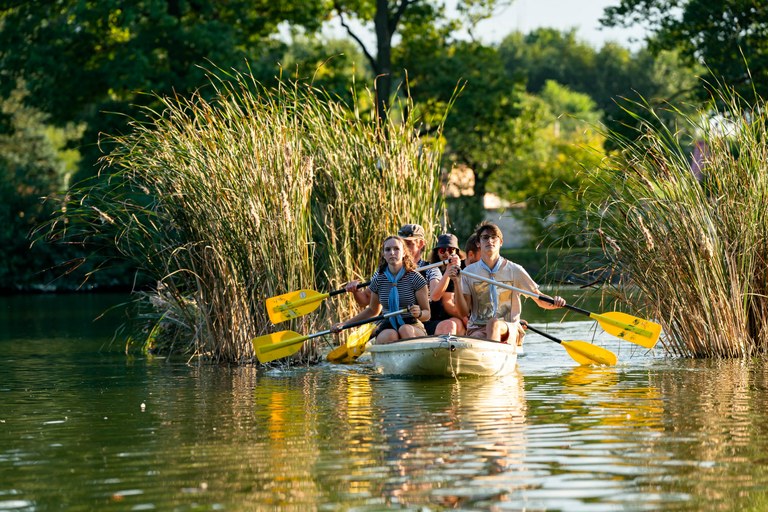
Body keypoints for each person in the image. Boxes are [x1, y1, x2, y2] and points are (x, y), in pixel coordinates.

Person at [454, 221, 566, 346]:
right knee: (478, 336)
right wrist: (456, 282)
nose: (490, 241)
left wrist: (555, 302)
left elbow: (539, 298)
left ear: (500, 242)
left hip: (509, 328)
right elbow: (463, 312)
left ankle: (492, 357)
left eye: (494, 237)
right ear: (478, 243)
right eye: (485, 237)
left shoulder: (515, 270)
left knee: (494, 324)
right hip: (477, 328)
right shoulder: (468, 272)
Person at [332, 236, 431, 344]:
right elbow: (372, 311)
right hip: (387, 324)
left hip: (412, 324)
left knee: (405, 329)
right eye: (388, 249)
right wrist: (345, 324)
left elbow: (427, 314)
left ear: (404, 253)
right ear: (384, 255)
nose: (392, 252)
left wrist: (420, 313)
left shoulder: (416, 278)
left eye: (396, 249)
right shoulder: (378, 279)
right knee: (389, 336)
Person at [344, 223, 443, 308]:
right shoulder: (384, 271)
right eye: (401, 244)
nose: (404, 248)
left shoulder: (431, 269)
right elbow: (365, 301)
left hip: (419, 319)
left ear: (421, 244)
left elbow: (435, 295)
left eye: (409, 244)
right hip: (390, 321)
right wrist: (355, 292)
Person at [423, 234, 466, 336]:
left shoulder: (462, 269)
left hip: (451, 316)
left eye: (451, 250)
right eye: (442, 250)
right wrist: (465, 318)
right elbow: (446, 303)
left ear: (456, 252)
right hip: (433, 317)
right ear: (437, 253)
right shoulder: (430, 269)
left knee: (457, 324)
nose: (447, 253)